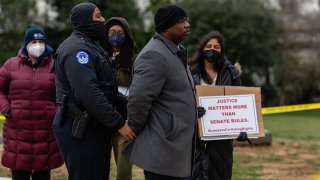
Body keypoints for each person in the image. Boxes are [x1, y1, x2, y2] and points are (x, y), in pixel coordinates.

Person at [52, 3, 135, 180]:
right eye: (98, 16)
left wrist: (130, 105)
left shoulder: (91, 46)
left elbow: (107, 89)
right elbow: (88, 93)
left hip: (94, 127)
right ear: (84, 20)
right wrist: (119, 123)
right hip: (80, 129)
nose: (103, 20)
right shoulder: (78, 50)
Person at [122, 4, 202, 180]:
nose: (187, 25)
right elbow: (139, 99)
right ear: (167, 26)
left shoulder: (175, 51)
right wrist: (134, 127)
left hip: (176, 147)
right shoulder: (155, 55)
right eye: (181, 21)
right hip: (163, 149)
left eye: (187, 20)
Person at [0, 25, 63, 180]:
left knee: (42, 174)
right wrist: (7, 109)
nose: (38, 45)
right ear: (26, 44)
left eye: (41, 41)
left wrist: (56, 112)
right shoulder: (10, 65)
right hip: (17, 132)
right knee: (19, 173)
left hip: (46, 132)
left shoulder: (55, 66)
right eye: (33, 41)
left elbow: (64, 94)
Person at [187, 30, 242, 180]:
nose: (212, 50)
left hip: (221, 140)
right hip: (193, 137)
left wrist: (243, 129)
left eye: (216, 47)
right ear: (202, 48)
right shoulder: (189, 71)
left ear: (222, 51)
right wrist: (191, 111)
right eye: (208, 46)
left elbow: (239, 103)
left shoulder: (230, 73)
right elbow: (180, 99)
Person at [103, 17, 138, 180]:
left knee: (124, 171)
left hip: (124, 120)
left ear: (126, 35)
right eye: (112, 32)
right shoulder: (99, 55)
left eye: (120, 33)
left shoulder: (135, 59)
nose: (116, 36)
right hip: (102, 118)